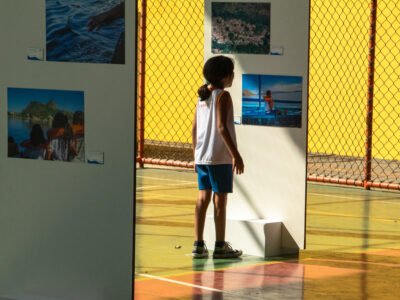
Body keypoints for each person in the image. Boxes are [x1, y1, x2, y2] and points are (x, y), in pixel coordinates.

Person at [192, 55, 244, 259]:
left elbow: (194, 129)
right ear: (224, 76)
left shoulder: (202, 96)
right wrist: (236, 155)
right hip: (219, 157)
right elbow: (222, 127)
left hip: (202, 155)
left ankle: (198, 244)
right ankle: (220, 245)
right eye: (231, 73)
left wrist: (195, 155)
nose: (233, 76)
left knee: (202, 198)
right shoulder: (223, 96)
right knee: (219, 200)